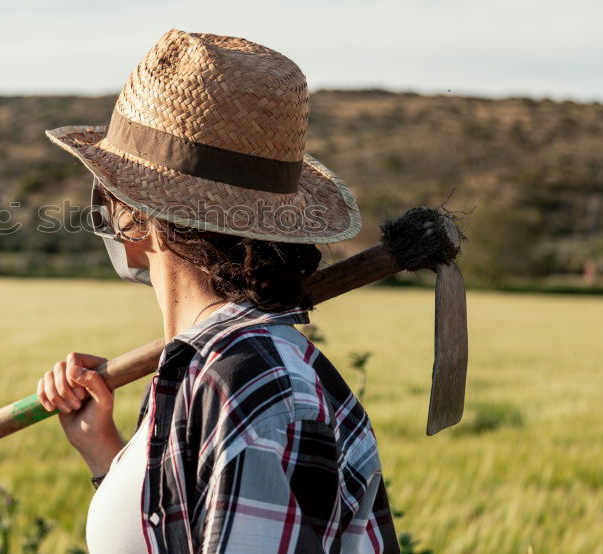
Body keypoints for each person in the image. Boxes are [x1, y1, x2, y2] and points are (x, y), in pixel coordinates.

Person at [36, 28, 400, 553]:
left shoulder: (249, 384)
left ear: (136, 215)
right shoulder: (205, 369)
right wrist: (105, 455)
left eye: (105, 193)